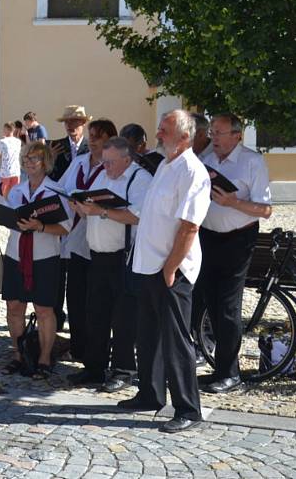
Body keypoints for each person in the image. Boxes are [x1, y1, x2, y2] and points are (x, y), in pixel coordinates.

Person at [118, 109, 210, 434]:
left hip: (171, 270)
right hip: (148, 266)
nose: (158, 133)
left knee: (176, 341)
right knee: (148, 339)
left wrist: (171, 267)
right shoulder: (166, 165)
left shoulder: (193, 171)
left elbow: (189, 227)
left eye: (165, 129)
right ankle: (150, 394)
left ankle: (188, 408)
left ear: (185, 136)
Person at [66, 137, 152, 390]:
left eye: (111, 162)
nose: (105, 167)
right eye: (103, 162)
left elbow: (137, 217)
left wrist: (101, 212)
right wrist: (83, 208)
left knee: (123, 317)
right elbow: (94, 207)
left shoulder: (140, 180)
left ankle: (123, 370)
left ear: (127, 159)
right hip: (98, 255)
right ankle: (95, 367)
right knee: (96, 313)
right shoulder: (104, 176)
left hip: (123, 257)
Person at [196, 113, 272, 394]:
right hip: (208, 237)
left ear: (236, 135)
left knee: (228, 306)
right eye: (212, 132)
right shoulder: (206, 161)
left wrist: (233, 202)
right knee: (211, 302)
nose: (213, 137)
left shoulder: (252, 161)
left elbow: (265, 209)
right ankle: (220, 368)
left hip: (238, 240)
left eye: (219, 132)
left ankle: (231, 374)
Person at [0, 141, 72, 380]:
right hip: (15, 254)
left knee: (43, 309)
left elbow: (65, 228)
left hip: (44, 257)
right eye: (26, 159)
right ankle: (19, 355)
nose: (29, 163)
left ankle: (43, 357)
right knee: (14, 306)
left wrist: (40, 226)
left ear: (46, 163)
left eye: (34, 159)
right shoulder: (17, 191)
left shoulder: (56, 191)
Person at [57, 119, 116, 364]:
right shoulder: (79, 163)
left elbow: (116, 201)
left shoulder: (113, 167)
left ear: (109, 140)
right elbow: (61, 189)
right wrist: (71, 203)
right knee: (77, 298)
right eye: (91, 135)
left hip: (102, 241)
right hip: (76, 239)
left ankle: (99, 351)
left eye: (98, 136)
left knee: (99, 302)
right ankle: (79, 347)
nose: (92, 140)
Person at [49, 105, 91, 182]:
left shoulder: (91, 147)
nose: (69, 125)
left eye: (73, 121)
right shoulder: (56, 146)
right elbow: (48, 176)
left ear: (83, 122)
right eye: (66, 122)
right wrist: (49, 161)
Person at [0, 122, 21, 198]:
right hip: (16, 171)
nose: (3, 131)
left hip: (5, 172)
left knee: (2, 195)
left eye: (4, 129)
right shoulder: (18, 141)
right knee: (14, 195)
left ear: (7, 129)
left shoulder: (2, 141)